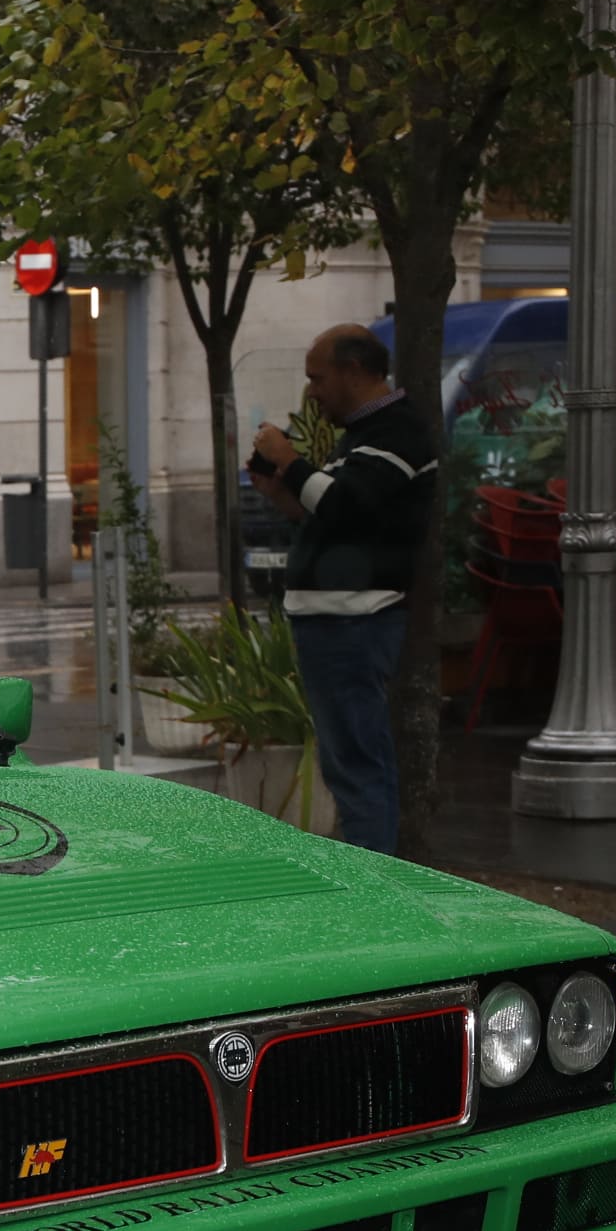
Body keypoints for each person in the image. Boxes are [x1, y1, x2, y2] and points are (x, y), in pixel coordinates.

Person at [247, 324, 438, 855]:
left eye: (318, 378)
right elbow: (331, 517)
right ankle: (369, 867)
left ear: (354, 371)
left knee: (357, 763)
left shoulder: (396, 432)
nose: (312, 392)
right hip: (336, 620)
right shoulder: (364, 436)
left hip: (355, 621)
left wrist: (290, 460)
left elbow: (345, 506)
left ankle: (374, 881)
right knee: (348, 761)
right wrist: (281, 492)